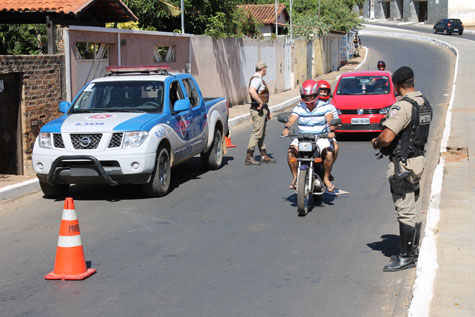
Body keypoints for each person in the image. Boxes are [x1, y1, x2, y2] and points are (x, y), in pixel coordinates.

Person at [371, 66, 432, 272]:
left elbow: (387, 137)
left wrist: (377, 142)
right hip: (418, 160)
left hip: (403, 163)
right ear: (412, 81)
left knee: (404, 210)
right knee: (414, 205)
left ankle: (406, 257)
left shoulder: (403, 107)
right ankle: (413, 250)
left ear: (397, 85)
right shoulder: (424, 103)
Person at [282, 80, 336, 191]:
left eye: (311, 96)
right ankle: (295, 177)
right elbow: (292, 119)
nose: (308, 99)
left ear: (316, 94)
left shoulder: (325, 107)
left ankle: (326, 178)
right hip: (302, 137)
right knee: (291, 153)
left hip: (320, 137)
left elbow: (330, 119)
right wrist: (287, 128)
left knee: (329, 154)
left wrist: (331, 130)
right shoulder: (299, 107)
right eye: (306, 97)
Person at [245, 61, 277, 165]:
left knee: (262, 133)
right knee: (257, 132)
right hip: (257, 110)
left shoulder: (258, 79)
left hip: (261, 109)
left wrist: (267, 110)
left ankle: (264, 155)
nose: (266, 70)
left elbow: (262, 97)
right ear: (263, 69)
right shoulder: (257, 80)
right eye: (266, 68)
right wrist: (260, 102)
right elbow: (251, 91)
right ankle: (249, 156)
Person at [317, 80, 339, 181]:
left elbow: (337, 122)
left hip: (326, 135)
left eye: (324, 91)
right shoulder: (311, 105)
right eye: (320, 91)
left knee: (335, 147)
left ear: (328, 93)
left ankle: (328, 171)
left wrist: (333, 130)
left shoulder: (331, 107)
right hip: (312, 135)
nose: (322, 93)